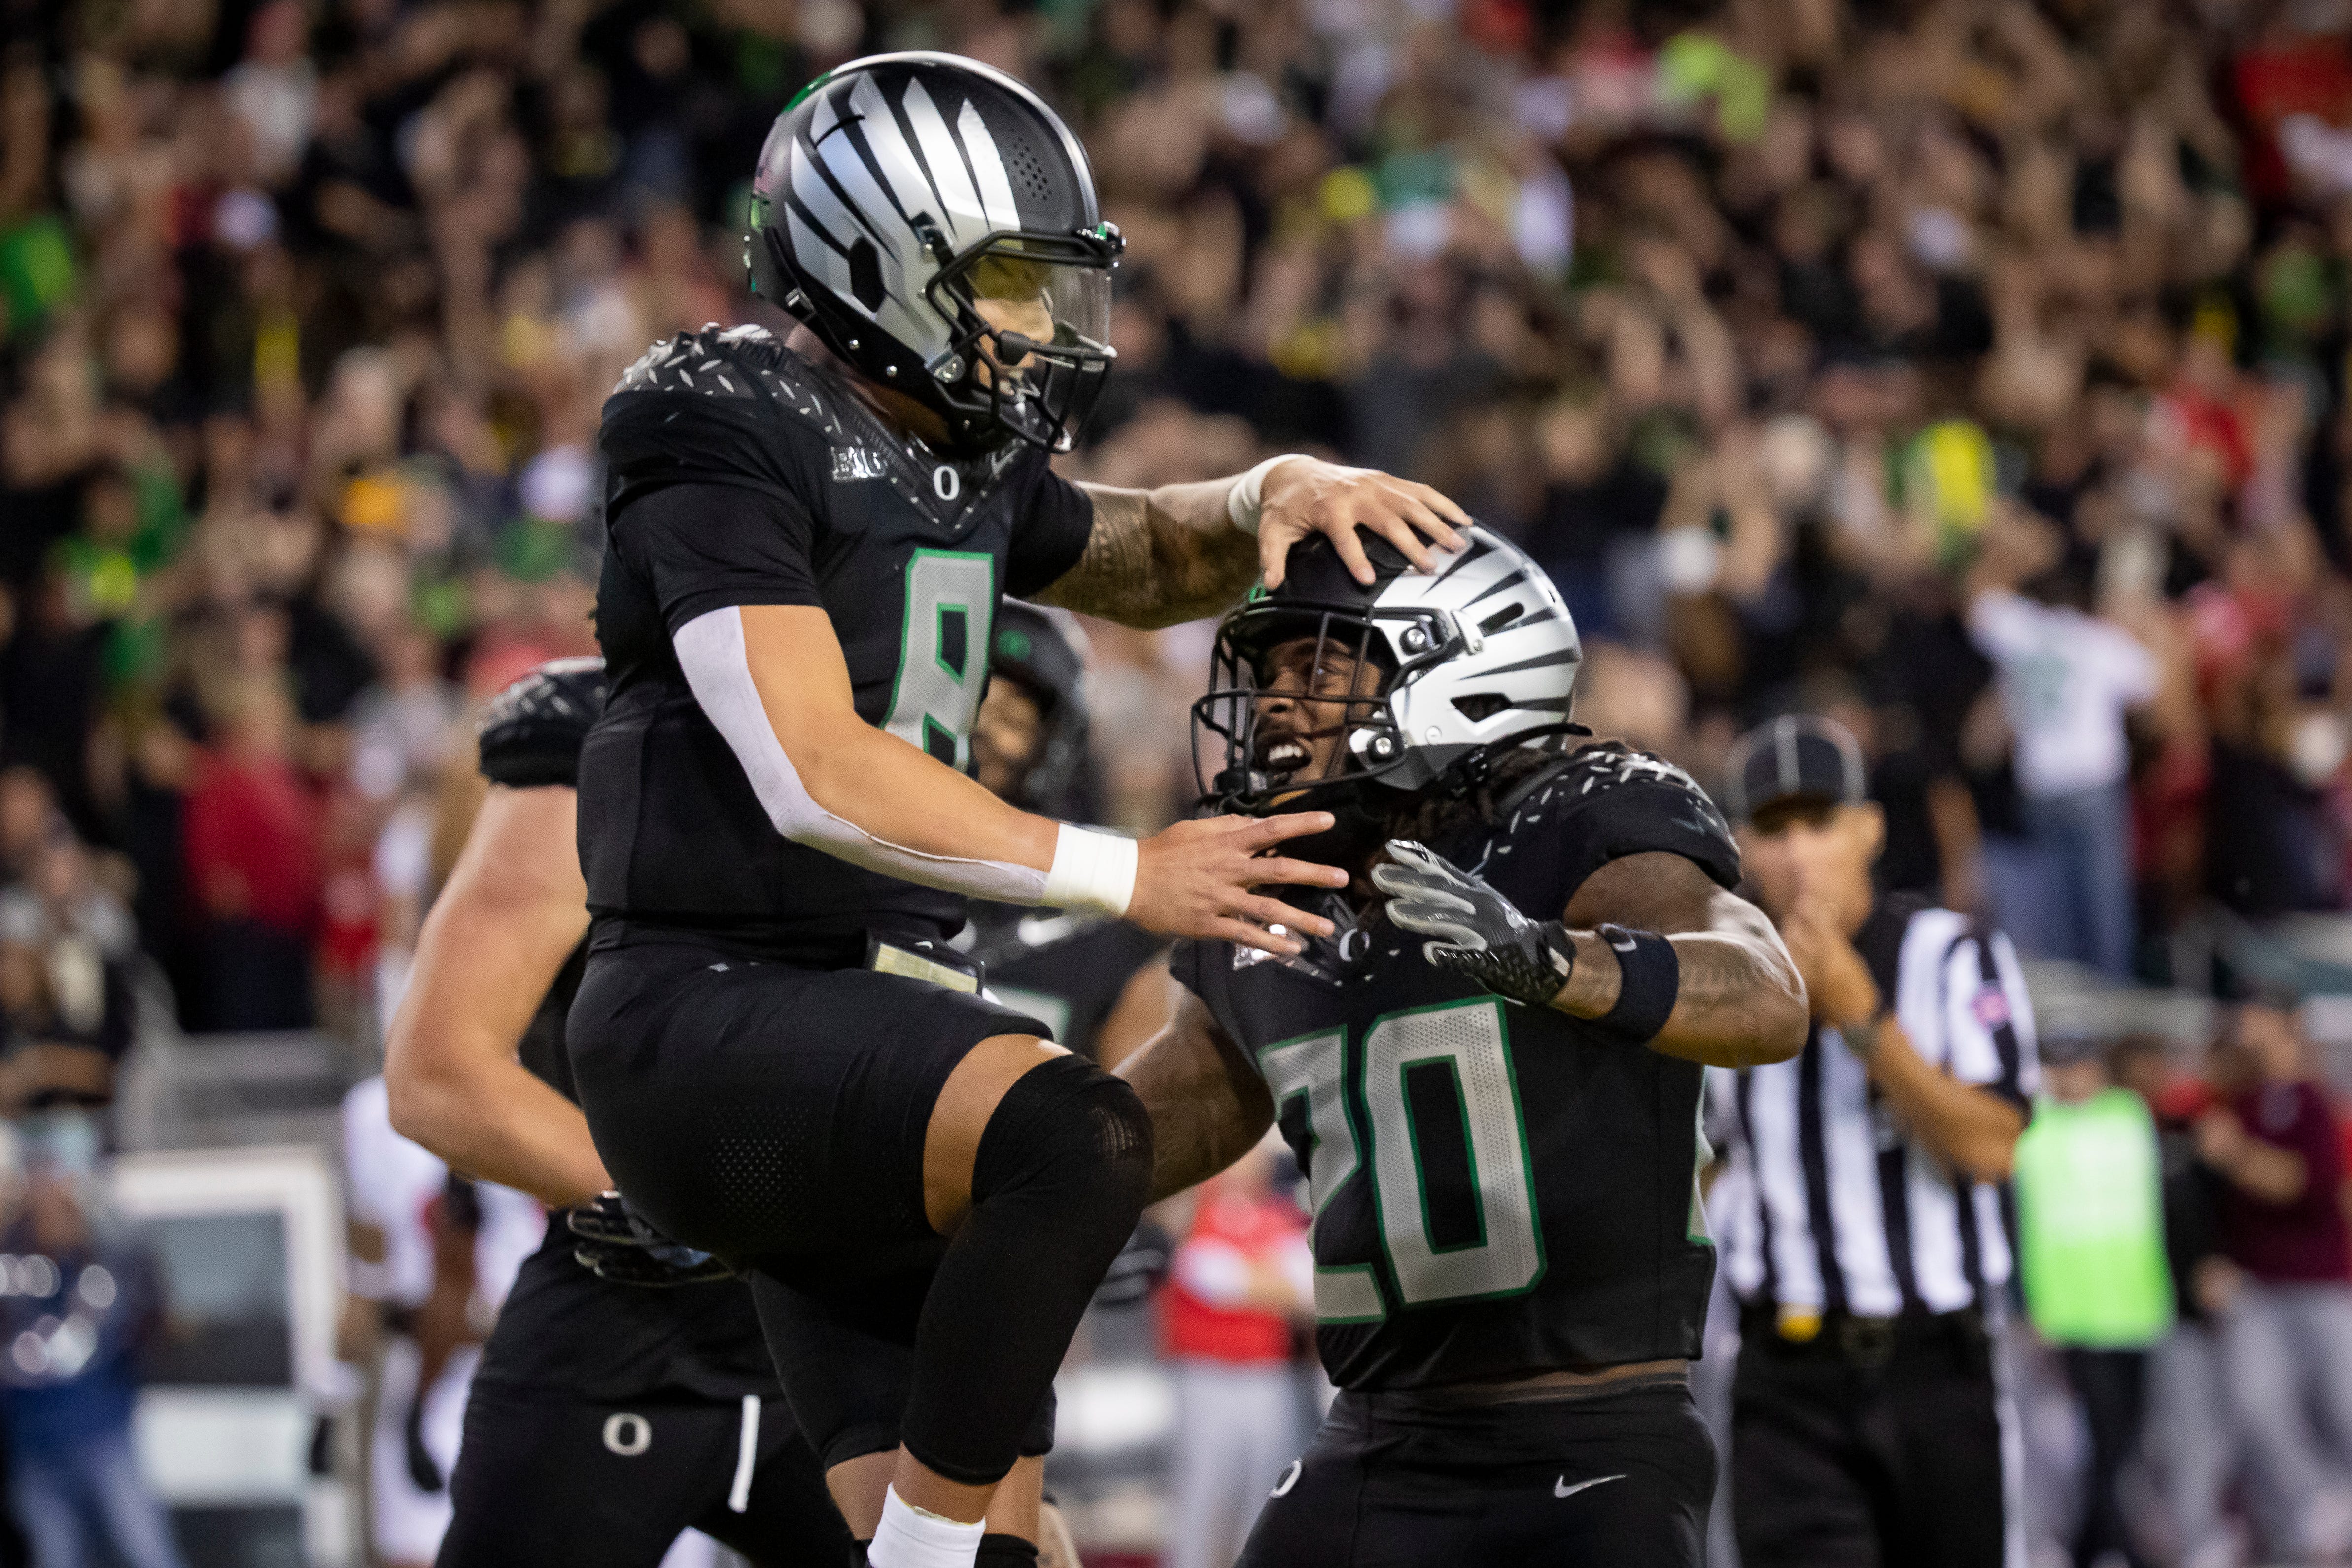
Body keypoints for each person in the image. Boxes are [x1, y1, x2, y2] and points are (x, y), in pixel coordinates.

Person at [567, 52, 1469, 1568]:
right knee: (1077, 1132)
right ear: (877, 254)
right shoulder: (720, 410)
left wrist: (1266, 496)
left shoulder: (955, 454)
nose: (1044, 323)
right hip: (713, 1010)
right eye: (1006, 277)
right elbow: (808, 766)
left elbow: (1139, 553)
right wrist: (1127, 870)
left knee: (1017, 1543)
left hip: (872, 1044)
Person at [1114, 527, 1809, 1568]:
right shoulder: (1269, 881)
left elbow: (1765, 995)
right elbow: (1154, 1114)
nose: (1275, 707)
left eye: (1316, 666)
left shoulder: (1577, 814)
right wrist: (1029, 1189)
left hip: (1593, 1437)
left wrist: (1550, 960)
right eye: (1267, 676)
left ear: (1457, 660)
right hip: (1373, 1439)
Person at [382, 658, 858, 1568]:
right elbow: (437, 1074)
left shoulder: (882, 727)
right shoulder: (602, 740)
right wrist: (714, 1202)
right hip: (633, 1318)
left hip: (837, 1328)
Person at [1707, 714, 2039, 1568]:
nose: (1798, 854)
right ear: (1740, 844)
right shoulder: (1712, 984)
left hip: (1934, 1365)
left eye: (1819, 823)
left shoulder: (1952, 955)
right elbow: (1698, 1170)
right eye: (1773, 829)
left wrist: (1860, 1017)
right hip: (1785, 1376)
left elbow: (1992, 1147)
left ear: (1868, 826)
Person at [340, 1076, 543, 1568]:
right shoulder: (372, 1113)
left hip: (537, 1360)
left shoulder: (546, 1080)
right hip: (441, 1365)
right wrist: (335, 1389)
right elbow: (369, 1274)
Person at [960, 602, 1170, 1070]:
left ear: (1055, 745)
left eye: (1012, 717)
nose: (983, 731)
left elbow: (1140, 1114)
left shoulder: (1102, 927)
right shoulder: (858, 882)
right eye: (970, 705)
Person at [2196, 996, 2352, 1561]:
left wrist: (2237, 1154)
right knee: (2253, 1404)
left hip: (2321, 1280)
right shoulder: (2236, 1101)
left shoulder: (2311, 1102)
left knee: (2343, 1406)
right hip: (2256, 1283)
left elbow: (2303, 1186)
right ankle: (2315, 1507)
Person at [2012, 1032, 2173, 1568]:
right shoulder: (2037, 1125)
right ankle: (2116, 1547)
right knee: (2099, 1436)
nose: (2071, 1077)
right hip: (2072, 1308)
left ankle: (2090, 1542)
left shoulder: (2128, 1114)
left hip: (2135, 1301)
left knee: (2125, 1437)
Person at [0, 1115, 185, 1568]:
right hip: (32, 1444)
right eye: (39, 1180)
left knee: (148, 1551)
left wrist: (85, 1240)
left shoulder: (110, 1250)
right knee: (56, 1556)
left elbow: (151, 1314)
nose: (50, 1193)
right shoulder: (11, 1250)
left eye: (60, 1180)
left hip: (102, 1432)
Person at [1158, 1135, 1311, 1568]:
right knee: (1204, 1497)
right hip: (1207, 1376)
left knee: (1265, 1497)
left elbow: (1304, 1291)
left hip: (1267, 1377)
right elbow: (1207, 1273)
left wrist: (1252, 1280)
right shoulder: (1194, 1215)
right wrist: (1262, 1279)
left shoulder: (1280, 1216)